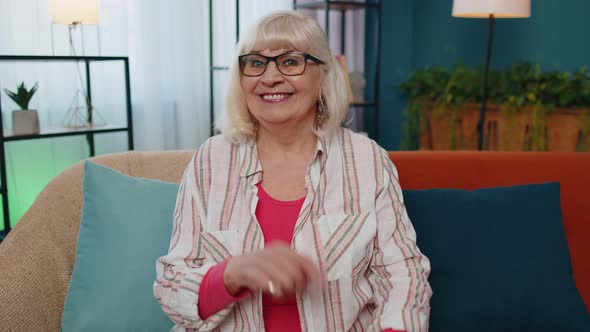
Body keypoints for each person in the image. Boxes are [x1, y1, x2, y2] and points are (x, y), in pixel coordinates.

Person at [154, 11, 432, 332]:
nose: (269, 77)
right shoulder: (210, 159)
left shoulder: (367, 159)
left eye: (289, 61)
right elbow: (171, 285)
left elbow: (402, 275)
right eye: (256, 63)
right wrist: (233, 273)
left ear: (323, 76)